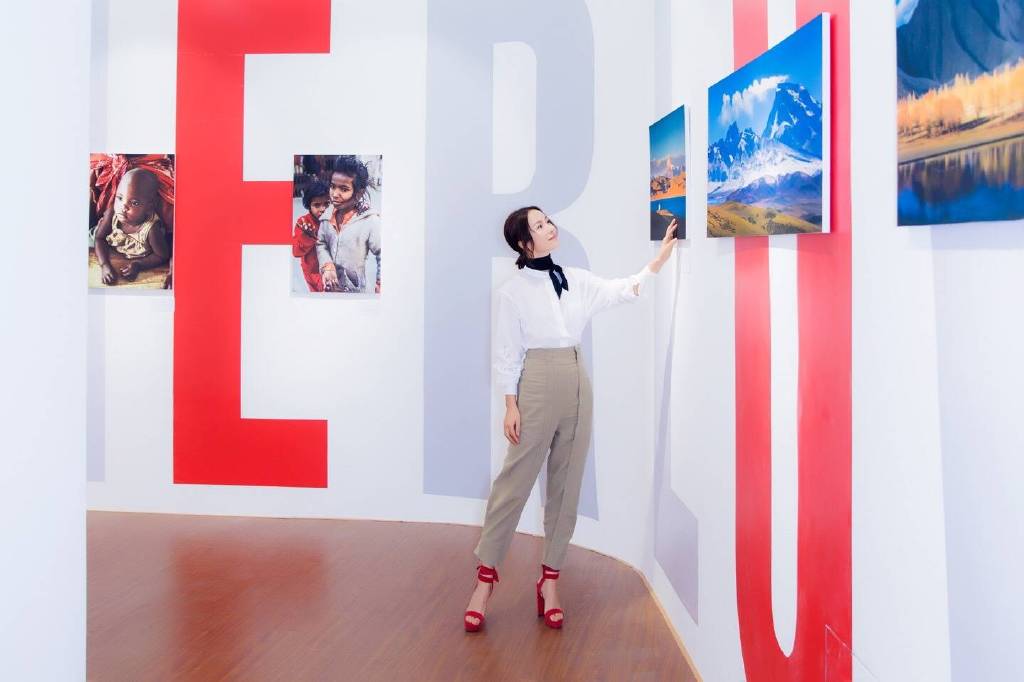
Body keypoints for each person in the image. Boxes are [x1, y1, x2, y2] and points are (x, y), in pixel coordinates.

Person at [463, 207, 677, 633]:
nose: (549, 228)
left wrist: (657, 263)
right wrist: (511, 405)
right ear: (524, 243)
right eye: (539, 226)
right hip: (537, 381)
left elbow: (620, 291)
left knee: (567, 484)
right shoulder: (511, 292)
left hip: (577, 378)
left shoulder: (575, 279)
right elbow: (507, 352)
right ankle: (484, 582)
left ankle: (550, 582)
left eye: (547, 221)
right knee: (514, 484)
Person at [93, 168, 171, 285]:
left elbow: (162, 255)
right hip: (106, 244)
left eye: (134, 203)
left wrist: (139, 264)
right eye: (120, 198)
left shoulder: (151, 229)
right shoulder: (112, 214)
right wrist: (105, 265)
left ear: (149, 207)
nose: (123, 207)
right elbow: (99, 238)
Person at [316, 155, 382, 293]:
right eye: (332, 186)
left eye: (344, 189)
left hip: (354, 291)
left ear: (359, 193)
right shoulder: (326, 217)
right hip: (329, 288)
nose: (335, 194)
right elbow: (321, 243)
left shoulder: (369, 220)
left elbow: (383, 252)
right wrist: (327, 266)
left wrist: (380, 282)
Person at [292, 179, 331, 292]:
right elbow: (296, 252)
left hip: (331, 270)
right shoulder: (303, 223)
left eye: (326, 204)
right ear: (309, 206)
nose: (323, 209)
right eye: (317, 205)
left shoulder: (333, 219)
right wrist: (307, 237)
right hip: (313, 273)